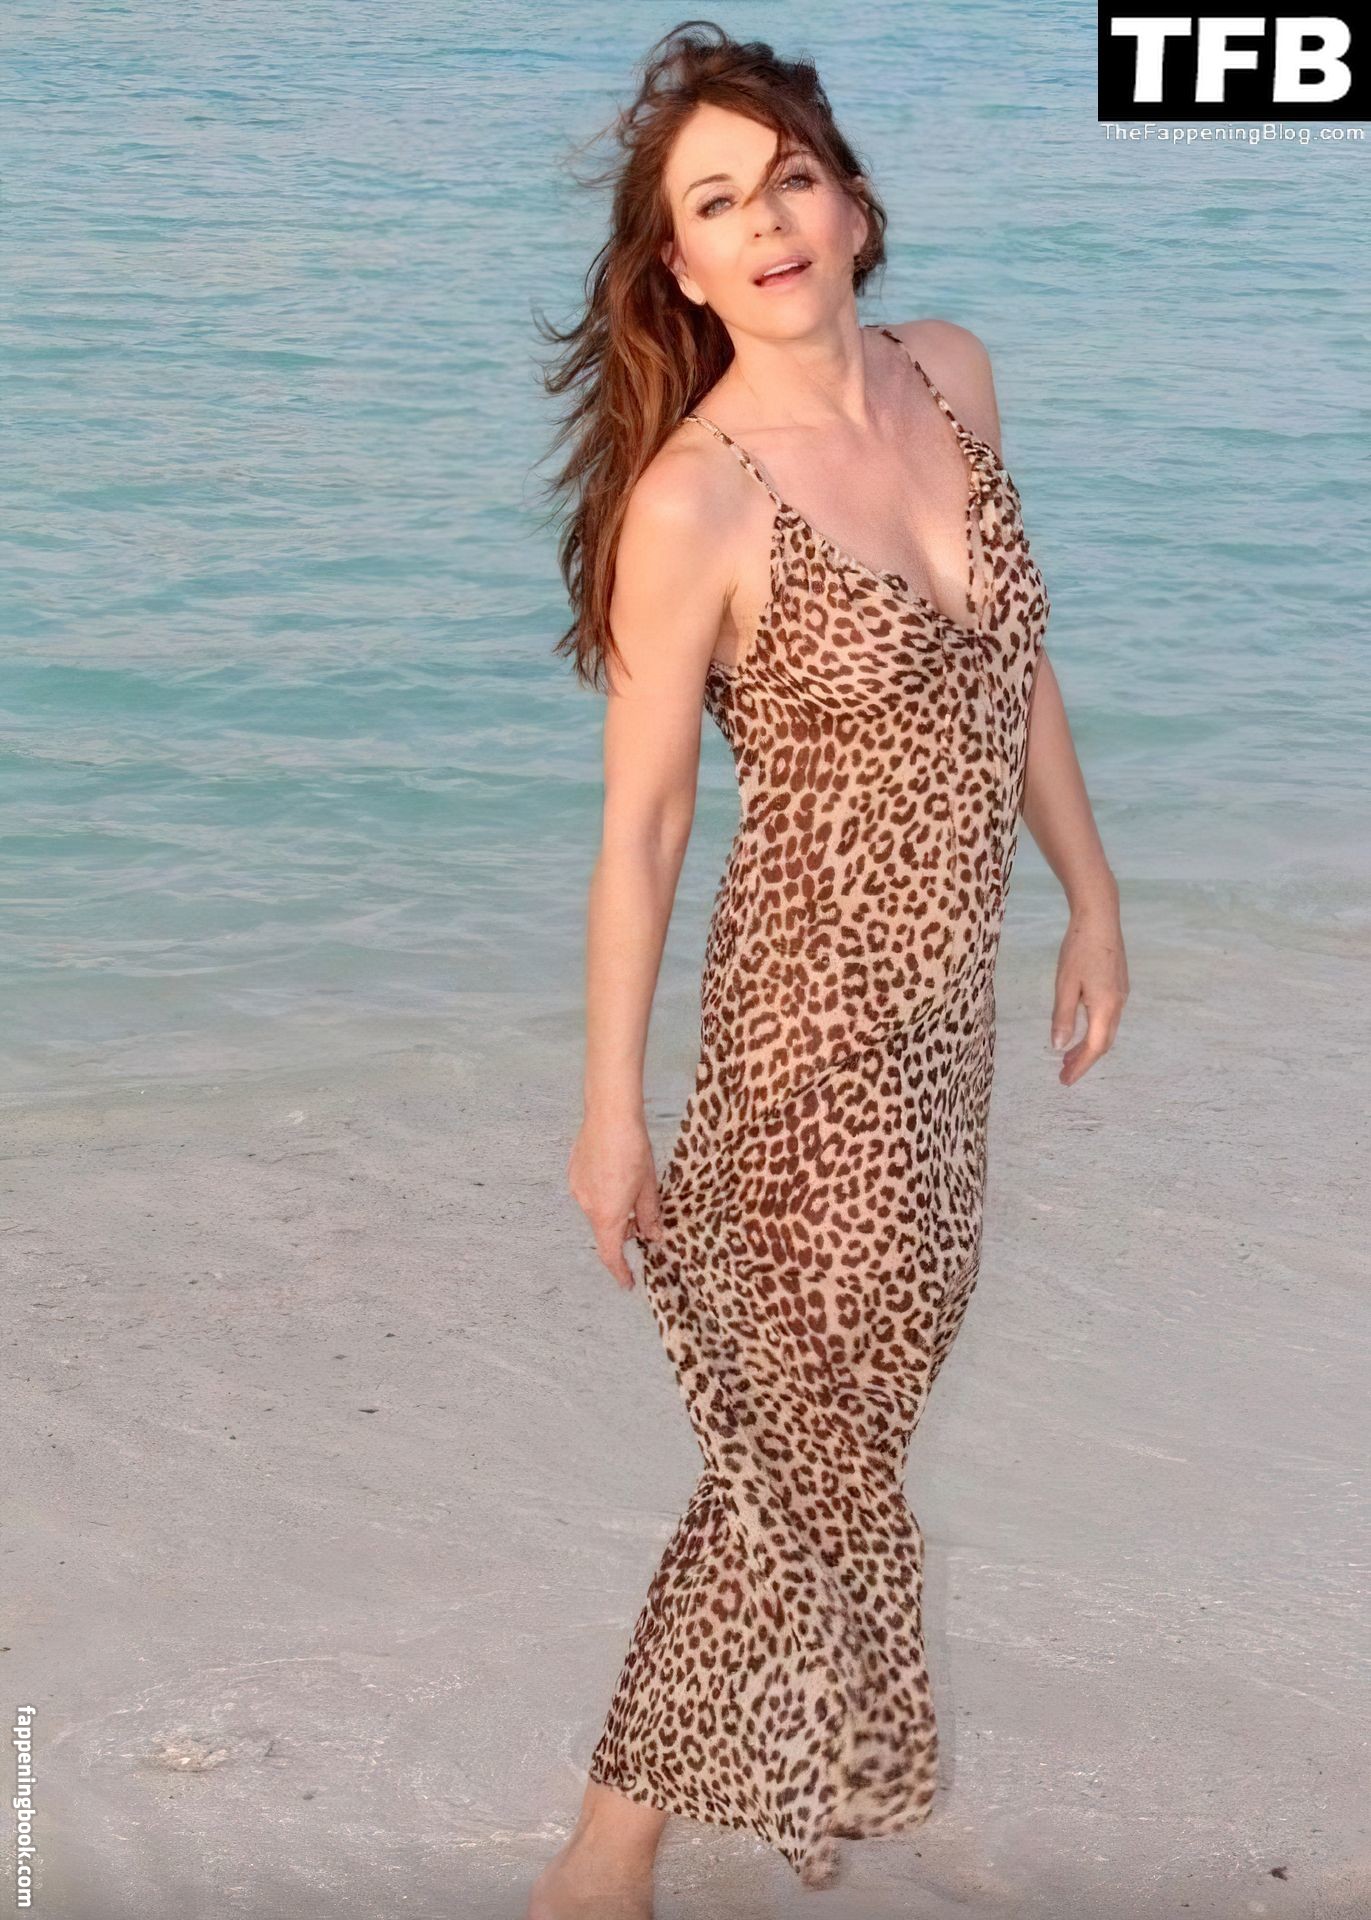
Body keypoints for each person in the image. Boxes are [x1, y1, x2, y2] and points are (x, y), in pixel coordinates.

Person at [528, 21, 1128, 1918]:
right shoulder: (694, 504)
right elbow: (642, 834)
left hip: (944, 1037)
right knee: (809, 1464)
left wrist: (1091, 892)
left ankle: (616, 1852)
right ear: (682, 268)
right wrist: (611, 1114)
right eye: (717, 204)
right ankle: (603, 1864)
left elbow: (1010, 657)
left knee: (824, 1455)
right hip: (802, 1053)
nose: (766, 221)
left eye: (788, 177)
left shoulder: (951, 376)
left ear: (852, 204)